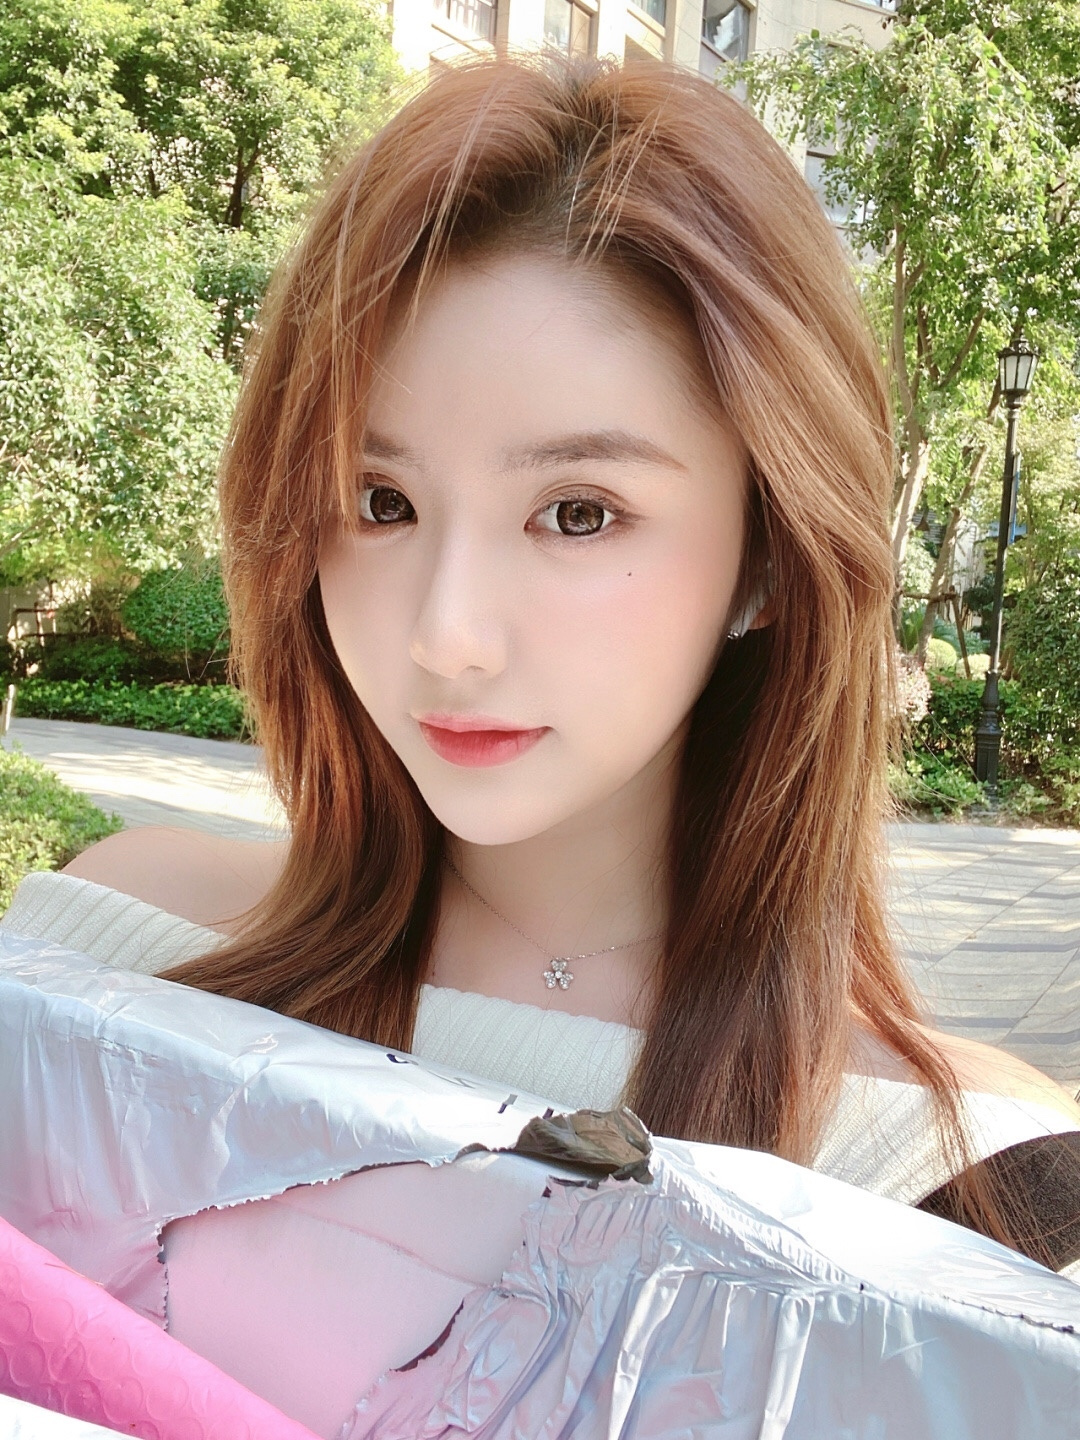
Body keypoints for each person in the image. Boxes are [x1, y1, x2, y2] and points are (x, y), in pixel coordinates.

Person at [13, 52, 1079, 1272]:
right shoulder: (119, 954)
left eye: (578, 513)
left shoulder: (950, 1177)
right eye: (379, 501)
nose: (447, 633)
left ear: (769, 553)